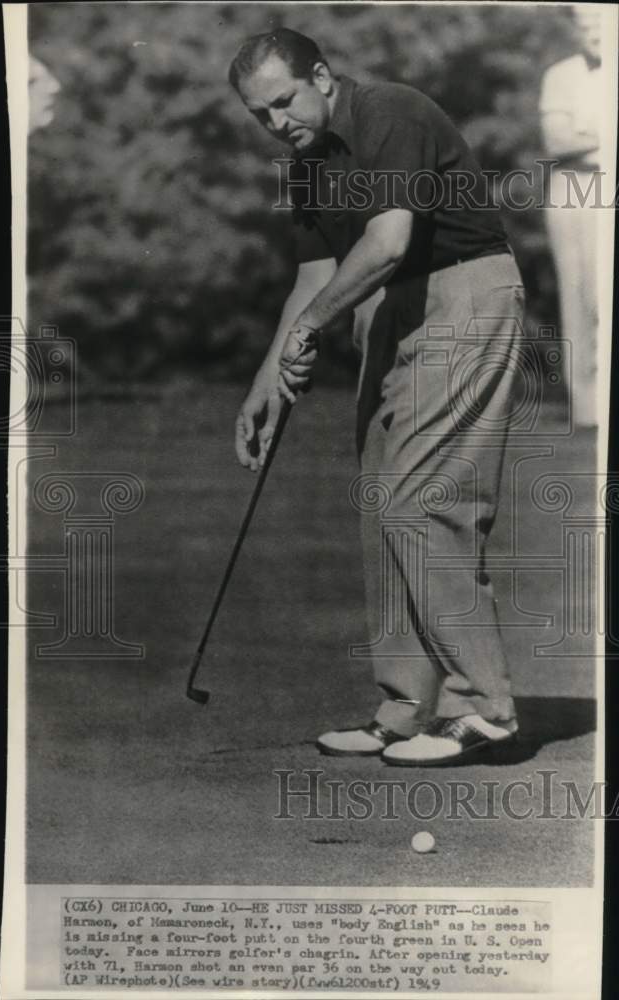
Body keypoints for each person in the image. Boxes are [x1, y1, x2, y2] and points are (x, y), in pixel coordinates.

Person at [229, 29, 524, 765]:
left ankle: (483, 708)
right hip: (394, 308)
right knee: (380, 501)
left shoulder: (391, 110)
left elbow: (390, 240)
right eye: (259, 115)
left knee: (420, 500)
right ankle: (406, 705)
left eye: (283, 102)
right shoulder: (307, 164)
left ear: (322, 77)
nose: (276, 124)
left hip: (465, 292)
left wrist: (310, 328)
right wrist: (265, 385)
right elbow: (314, 275)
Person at [539, 7, 601, 428]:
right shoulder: (562, 75)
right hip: (574, 188)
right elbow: (557, 139)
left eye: (601, 23)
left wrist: (588, 138)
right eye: (585, 25)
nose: (593, 33)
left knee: (604, 296)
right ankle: (587, 411)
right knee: (578, 296)